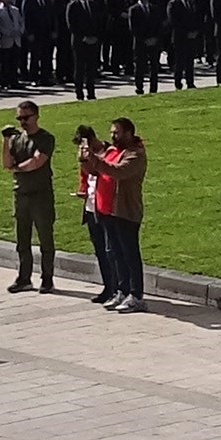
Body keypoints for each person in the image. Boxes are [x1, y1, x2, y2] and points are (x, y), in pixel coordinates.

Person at [0, 103, 60, 294]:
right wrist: (6, 140)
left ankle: (47, 278)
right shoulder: (17, 140)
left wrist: (17, 169)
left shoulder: (45, 138)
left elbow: (37, 162)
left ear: (36, 116)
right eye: (20, 119)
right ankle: (24, 277)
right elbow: (6, 163)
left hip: (40, 194)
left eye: (26, 117)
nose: (23, 122)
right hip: (21, 194)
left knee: (45, 238)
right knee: (22, 239)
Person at [94, 117, 147, 312]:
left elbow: (118, 172)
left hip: (126, 210)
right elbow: (98, 170)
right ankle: (122, 291)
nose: (112, 136)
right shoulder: (114, 151)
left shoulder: (136, 154)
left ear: (128, 133)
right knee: (115, 253)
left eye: (116, 132)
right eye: (111, 132)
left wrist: (96, 161)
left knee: (129, 254)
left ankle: (136, 295)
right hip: (109, 210)